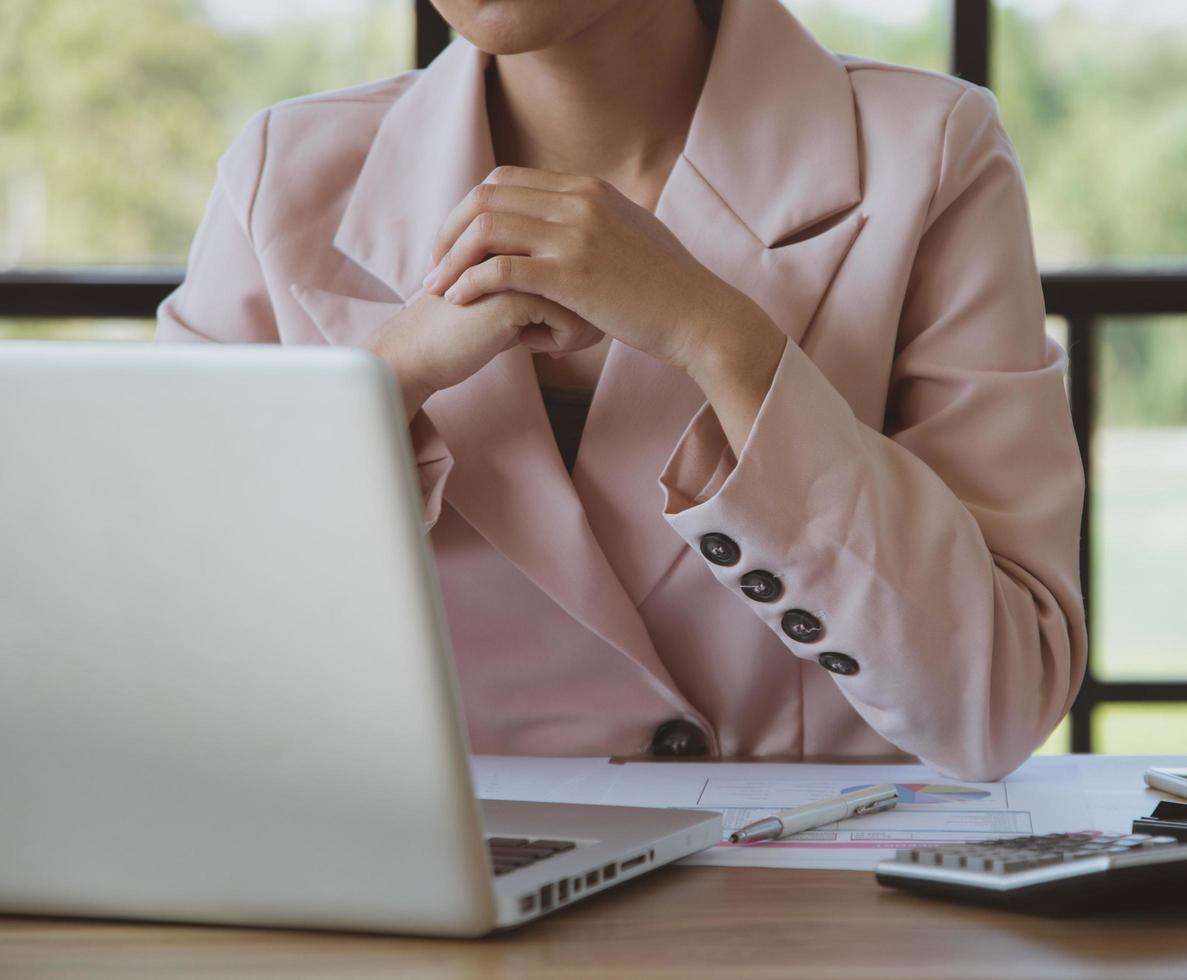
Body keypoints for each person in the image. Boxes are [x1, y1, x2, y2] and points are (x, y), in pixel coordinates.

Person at [156, 0, 1086, 780]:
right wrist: (389, 378)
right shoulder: (280, 176)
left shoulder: (927, 153)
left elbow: (996, 704)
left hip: (816, 919)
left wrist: (720, 340)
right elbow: (161, 668)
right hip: (422, 915)